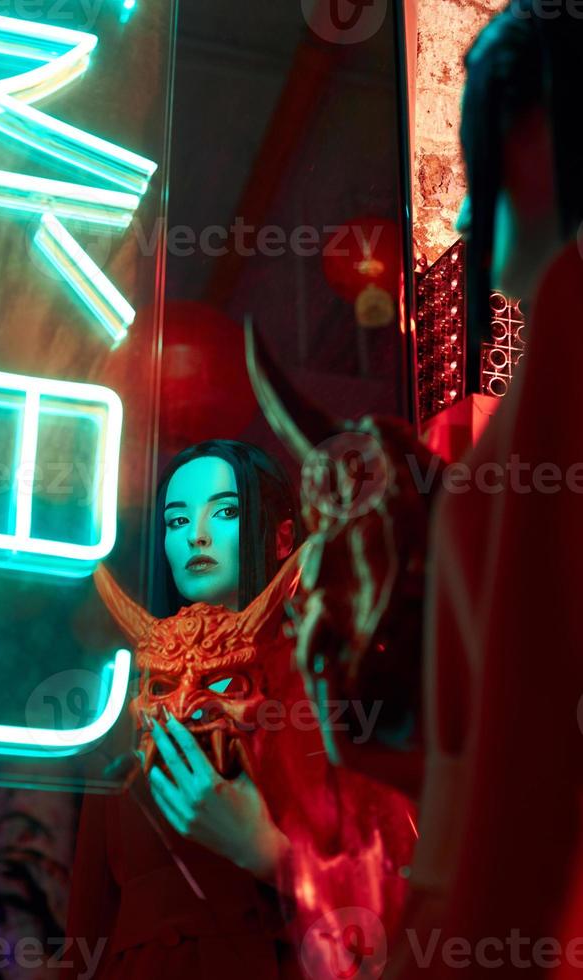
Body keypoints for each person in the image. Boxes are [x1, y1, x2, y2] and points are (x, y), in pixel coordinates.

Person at [394, 2, 583, 976]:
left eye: (478, 163)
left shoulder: (568, 324)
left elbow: (523, 764)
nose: (465, 212)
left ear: (534, 137)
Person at [63, 439, 306, 980]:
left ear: (283, 534)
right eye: (177, 520)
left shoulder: (313, 687)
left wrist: (268, 854)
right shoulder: (126, 708)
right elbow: (89, 919)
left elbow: (387, 894)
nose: (196, 534)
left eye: (225, 511)